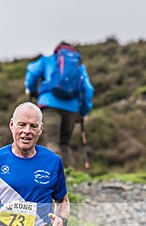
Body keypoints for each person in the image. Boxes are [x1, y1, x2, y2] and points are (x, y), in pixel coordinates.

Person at [24, 41, 94, 169]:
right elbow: (88, 90)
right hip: (72, 108)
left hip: (49, 105)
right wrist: (83, 112)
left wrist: (31, 89)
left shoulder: (48, 60)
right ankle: (67, 176)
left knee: (52, 141)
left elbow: (32, 71)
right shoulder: (79, 66)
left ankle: (52, 176)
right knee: (65, 143)